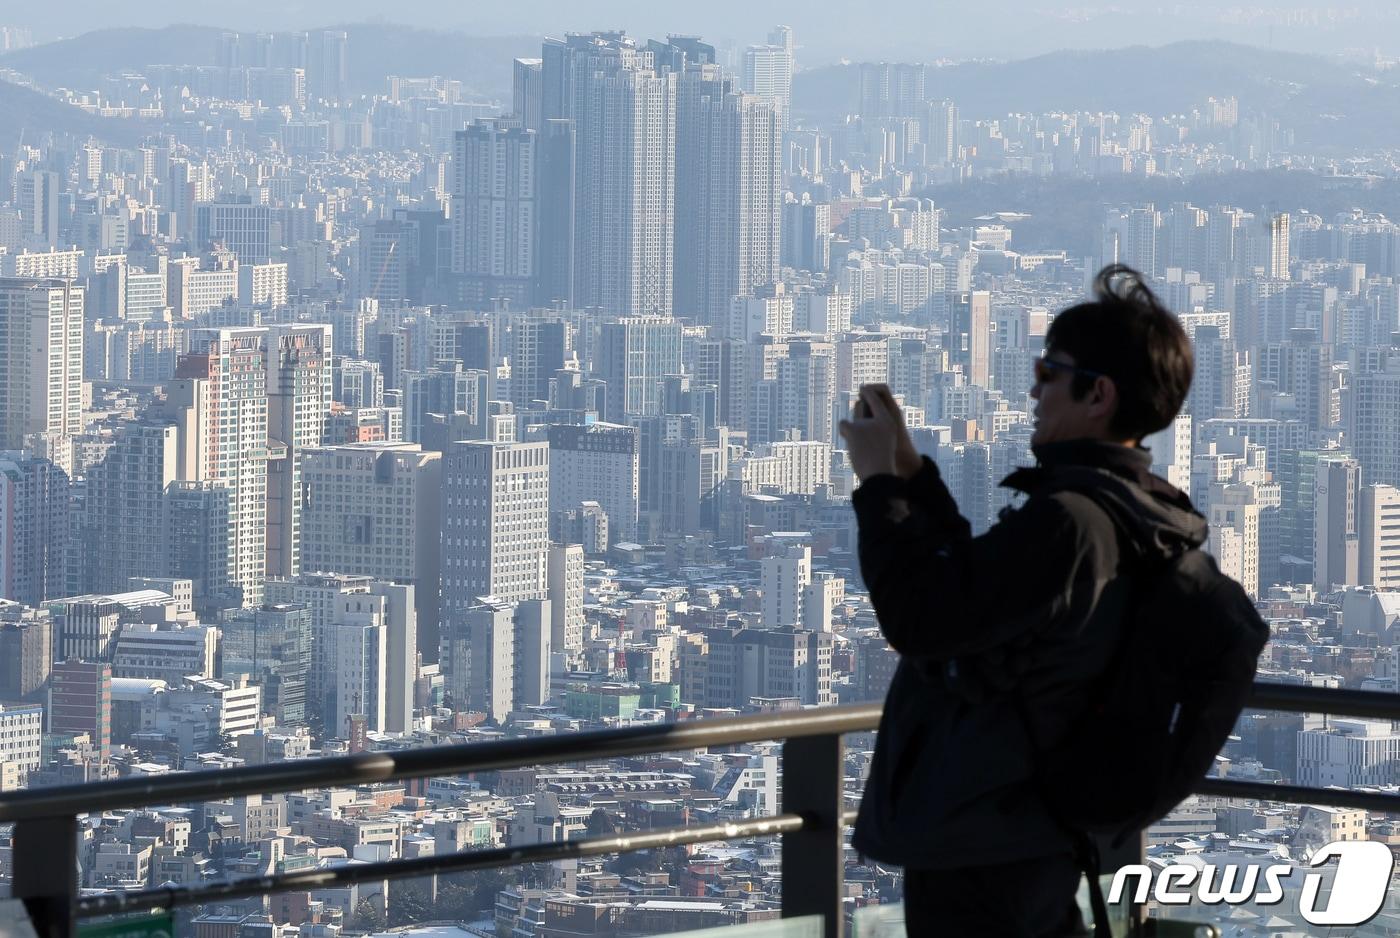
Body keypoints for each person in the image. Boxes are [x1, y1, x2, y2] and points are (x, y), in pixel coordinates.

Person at [840, 265, 1201, 936]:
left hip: (988, 835)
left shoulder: (1072, 522)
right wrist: (912, 474)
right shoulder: (1128, 512)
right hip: (1032, 829)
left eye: (1049, 371)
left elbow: (923, 622)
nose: (1033, 387)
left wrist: (877, 486)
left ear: (1098, 395)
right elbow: (973, 595)